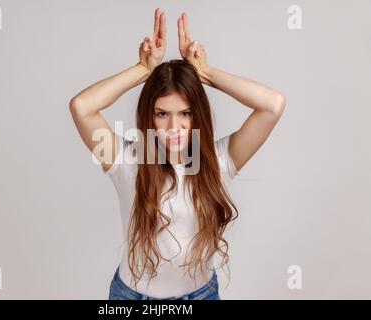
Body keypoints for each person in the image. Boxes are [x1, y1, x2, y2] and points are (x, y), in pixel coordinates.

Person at [69, 8, 286, 300]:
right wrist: (142, 70)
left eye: (185, 113)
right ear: (149, 116)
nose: (174, 127)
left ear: (198, 115)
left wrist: (204, 72)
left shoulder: (219, 161)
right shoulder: (128, 161)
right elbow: (82, 107)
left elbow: (272, 105)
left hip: (200, 296)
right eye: (162, 114)